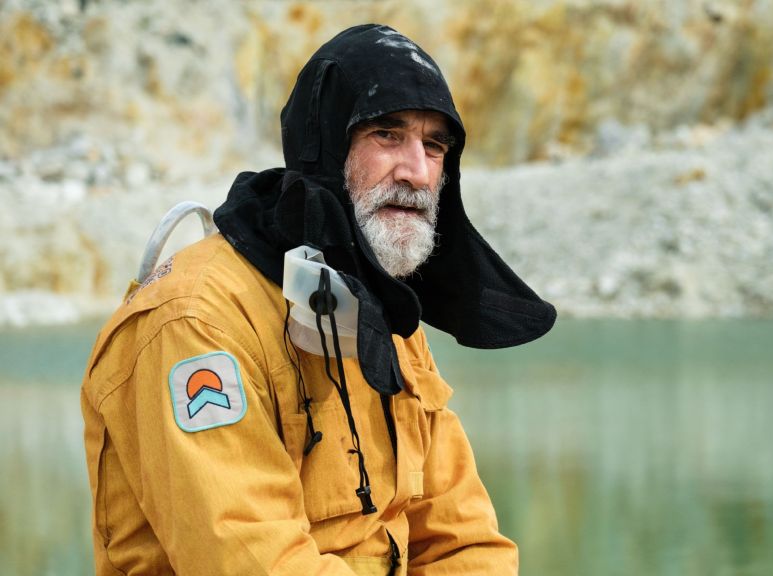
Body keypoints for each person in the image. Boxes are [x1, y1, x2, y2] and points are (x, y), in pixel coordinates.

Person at [81, 24, 555, 576]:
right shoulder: (197, 320)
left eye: (434, 146)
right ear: (325, 145)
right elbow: (252, 561)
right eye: (387, 134)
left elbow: (465, 542)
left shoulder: (384, 312)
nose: (419, 172)